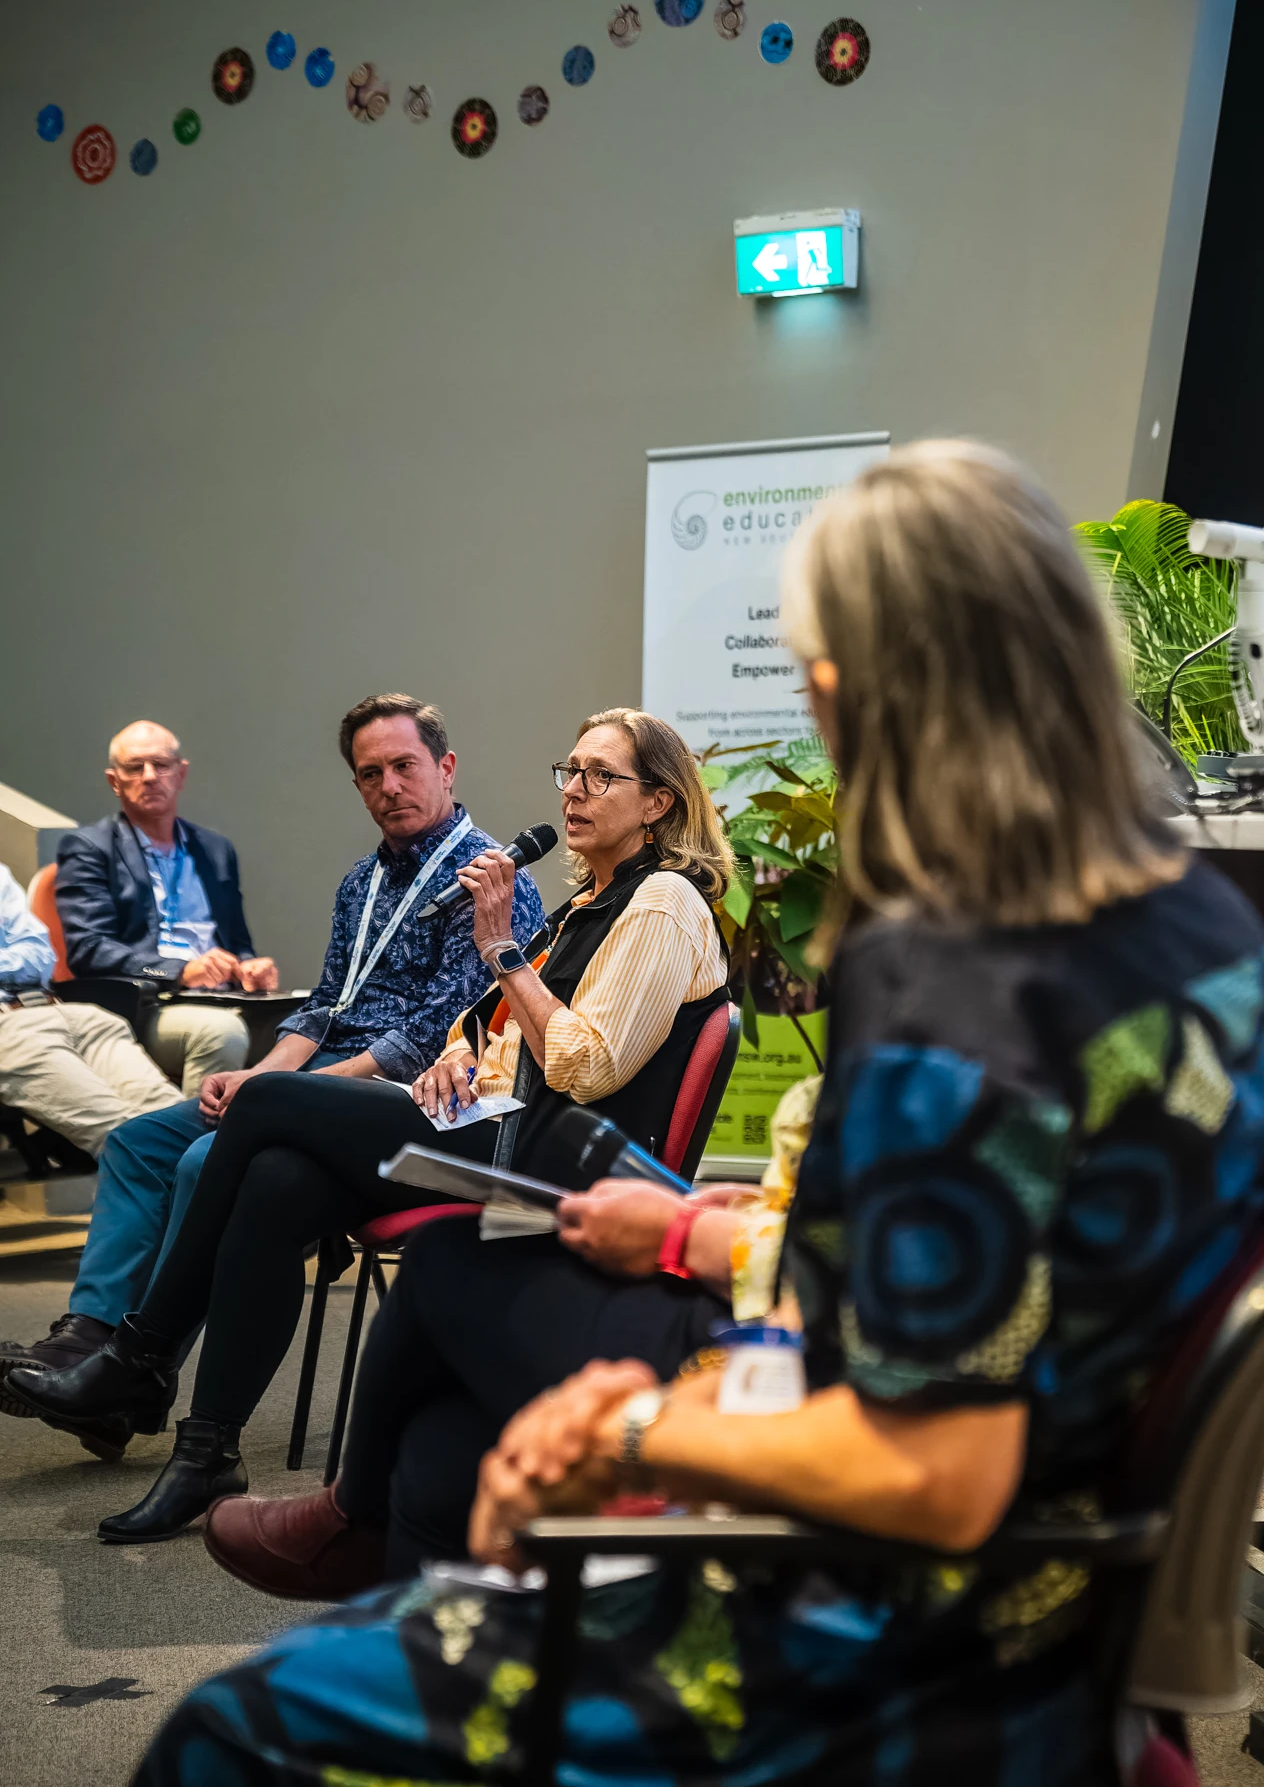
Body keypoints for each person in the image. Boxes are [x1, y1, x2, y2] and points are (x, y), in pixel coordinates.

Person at [134, 441, 1264, 1787]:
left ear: (843, 690)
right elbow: (1015, 1271)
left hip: (908, 1653)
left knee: (227, 1730)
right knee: (437, 1460)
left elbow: (938, 1471)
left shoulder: (957, 971)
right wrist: (712, 1236)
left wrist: (631, 1431)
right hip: (1075, 1611)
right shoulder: (1205, 934)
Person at [9, 709, 732, 1542]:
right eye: (570, 770)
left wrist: (500, 949)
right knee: (277, 1179)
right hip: (492, 1123)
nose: (575, 790)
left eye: (602, 776)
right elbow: (489, 1025)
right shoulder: (588, 903)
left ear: (658, 803)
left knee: (267, 1102)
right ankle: (205, 1451)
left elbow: (586, 1065)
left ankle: (137, 1358)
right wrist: (458, 1056)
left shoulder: (662, 901)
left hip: (550, 1167)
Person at [0, 694, 544, 1463]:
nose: (389, 786)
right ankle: (88, 1342)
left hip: (402, 1099)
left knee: (204, 1159)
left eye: (404, 766)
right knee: (138, 1143)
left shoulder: (492, 880)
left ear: (446, 768)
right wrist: (258, 1074)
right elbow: (323, 1008)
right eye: (371, 774)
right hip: (320, 1075)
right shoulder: (362, 881)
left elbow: (435, 1034)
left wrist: (293, 1091)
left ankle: (139, 1370)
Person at [202, 1081, 815, 1597]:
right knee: (439, 1449)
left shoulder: (652, 954)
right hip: (752, 1277)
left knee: (443, 1255)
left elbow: (585, 1068)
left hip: (780, 1337)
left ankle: (346, 1514)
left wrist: (686, 1233)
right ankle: (376, 1570)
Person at [55, 719, 277, 1096]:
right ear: (114, 781)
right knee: (221, 1034)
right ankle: (188, 1136)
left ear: (181, 773)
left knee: (310, 1024)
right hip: (148, 1002)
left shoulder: (215, 849)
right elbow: (88, 949)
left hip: (223, 993)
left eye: (160, 765)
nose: (149, 776)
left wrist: (249, 966)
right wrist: (180, 970)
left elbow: (237, 940)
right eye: (134, 767)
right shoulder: (89, 848)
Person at [0, 862, 179, 1171]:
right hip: (8, 1033)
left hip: (64, 1012)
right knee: (131, 1140)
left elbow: (40, 955)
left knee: (177, 1126)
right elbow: (25, 956)